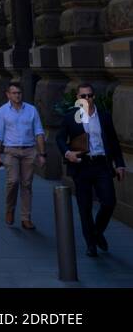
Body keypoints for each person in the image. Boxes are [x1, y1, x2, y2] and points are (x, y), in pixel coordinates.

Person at [56, 83, 127, 257]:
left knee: (109, 202)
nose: (86, 99)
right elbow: (59, 138)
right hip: (81, 165)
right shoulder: (71, 117)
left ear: (93, 97)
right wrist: (68, 153)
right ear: (78, 98)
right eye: (83, 96)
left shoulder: (103, 117)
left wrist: (120, 164)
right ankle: (90, 244)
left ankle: (96, 232)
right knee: (84, 207)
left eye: (89, 96)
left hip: (102, 164)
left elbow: (113, 142)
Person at [0, 81, 46, 229]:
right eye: (14, 93)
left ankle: (25, 218)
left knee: (27, 185)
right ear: (8, 95)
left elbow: (39, 132)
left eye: (19, 93)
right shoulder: (2, 112)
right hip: (11, 151)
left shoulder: (31, 110)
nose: (17, 95)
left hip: (29, 150)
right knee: (13, 181)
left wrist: (42, 154)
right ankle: (10, 210)